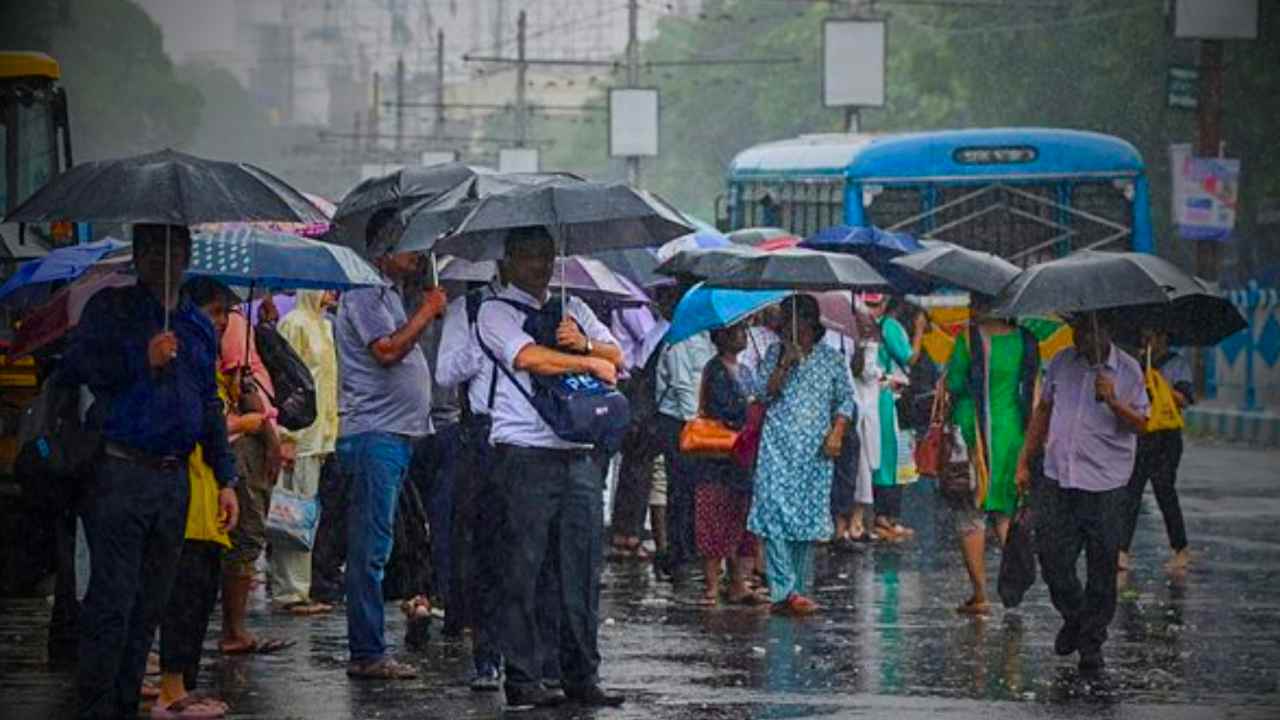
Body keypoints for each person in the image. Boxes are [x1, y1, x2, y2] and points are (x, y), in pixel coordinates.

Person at [64, 224, 237, 720]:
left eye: (176, 250)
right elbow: (80, 368)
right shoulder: (112, 310)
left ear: (187, 256)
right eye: (154, 250)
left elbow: (208, 403)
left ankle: (125, 703)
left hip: (173, 481)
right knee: (113, 602)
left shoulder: (197, 325)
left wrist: (225, 478)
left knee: (149, 608)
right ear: (138, 256)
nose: (166, 260)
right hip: (121, 474)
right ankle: (97, 708)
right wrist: (140, 358)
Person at [475, 226, 626, 709]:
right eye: (530, 257)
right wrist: (585, 363)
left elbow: (615, 355)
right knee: (524, 569)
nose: (541, 266)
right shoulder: (494, 311)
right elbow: (528, 357)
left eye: (547, 256)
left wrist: (584, 345)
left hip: (577, 451)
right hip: (524, 452)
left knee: (581, 570)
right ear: (510, 261)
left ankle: (581, 673)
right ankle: (523, 678)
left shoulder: (573, 309)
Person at [334, 209, 447, 679]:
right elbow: (386, 351)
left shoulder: (393, 296)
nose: (418, 254)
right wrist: (427, 310)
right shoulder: (365, 293)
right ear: (382, 250)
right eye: (409, 244)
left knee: (392, 541)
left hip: (397, 436)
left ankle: (373, 643)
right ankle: (367, 651)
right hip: (373, 436)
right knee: (370, 547)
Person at [1016, 312, 1150, 673]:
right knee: (1052, 558)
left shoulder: (1129, 371)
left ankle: (1092, 642)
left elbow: (1141, 424)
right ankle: (1076, 618)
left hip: (1106, 483)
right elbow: (1043, 412)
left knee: (1102, 567)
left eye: (1086, 332)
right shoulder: (1061, 362)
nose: (1078, 338)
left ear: (1106, 330)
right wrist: (1024, 461)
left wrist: (1113, 400)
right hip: (1059, 477)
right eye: (1075, 331)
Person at [152, 278, 247, 719]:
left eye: (224, 314)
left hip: (208, 496)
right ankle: (170, 689)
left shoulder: (204, 365)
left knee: (198, 592)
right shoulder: (176, 359)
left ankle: (180, 685)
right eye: (213, 313)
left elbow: (212, 423)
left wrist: (227, 480)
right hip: (184, 499)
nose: (220, 322)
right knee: (183, 594)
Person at [747, 295, 854, 616]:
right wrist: (784, 363)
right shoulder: (773, 353)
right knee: (774, 513)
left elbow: (846, 401)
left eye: (793, 322)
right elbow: (764, 393)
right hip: (778, 447)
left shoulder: (832, 360)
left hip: (815, 452)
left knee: (806, 518)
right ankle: (784, 589)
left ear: (808, 323)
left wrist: (837, 433)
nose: (787, 329)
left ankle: (796, 589)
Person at [945, 295, 1040, 615]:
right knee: (1004, 511)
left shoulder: (969, 340)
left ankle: (981, 594)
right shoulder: (1027, 341)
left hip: (973, 436)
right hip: (1013, 434)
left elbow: (955, 383)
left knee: (971, 513)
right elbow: (1034, 389)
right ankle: (1012, 588)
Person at [435, 271, 506, 689]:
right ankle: (487, 655)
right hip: (483, 436)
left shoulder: (561, 308)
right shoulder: (470, 310)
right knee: (487, 552)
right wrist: (481, 343)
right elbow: (446, 373)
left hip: (536, 441)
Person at [219, 297, 291, 655]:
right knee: (246, 534)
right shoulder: (231, 322)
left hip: (248, 435)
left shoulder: (239, 321)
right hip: (245, 440)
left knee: (246, 535)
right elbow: (242, 383)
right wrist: (271, 438)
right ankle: (234, 629)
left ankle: (234, 627)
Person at [271, 290, 340, 615]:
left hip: (321, 436)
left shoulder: (325, 327)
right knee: (292, 513)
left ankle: (304, 585)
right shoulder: (294, 324)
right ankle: (290, 591)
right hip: (299, 435)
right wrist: (286, 434)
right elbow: (284, 381)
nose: (331, 294)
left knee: (307, 513)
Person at [692, 323, 768, 607]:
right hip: (718, 458)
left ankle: (738, 582)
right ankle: (712, 585)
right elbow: (725, 410)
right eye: (737, 332)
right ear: (722, 337)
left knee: (739, 518)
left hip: (742, 458)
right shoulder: (715, 371)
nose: (743, 336)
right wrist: (750, 409)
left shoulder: (746, 372)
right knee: (714, 518)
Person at [609, 284, 677, 560]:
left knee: (635, 471)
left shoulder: (657, 329)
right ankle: (630, 534)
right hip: (644, 407)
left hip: (639, 402)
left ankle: (627, 532)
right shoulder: (651, 325)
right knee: (639, 472)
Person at [1119, 326, 1194, 572]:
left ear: (1163, 337)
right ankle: (1122, 551)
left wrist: (1159, 382)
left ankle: (1180, 548)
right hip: (1141, 433)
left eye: (1150, 335)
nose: (1145, 340)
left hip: (1166, 437)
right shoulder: (1133, 363)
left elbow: (1184, 399)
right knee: (1132, 493)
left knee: (1165, 491)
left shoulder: (1176, 364)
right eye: (1144, 336)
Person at [654, 288, 716, 578]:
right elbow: (681, 385)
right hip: (678, 421)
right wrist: (697, 424)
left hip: (697, 421)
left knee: (696, 487)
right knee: (680, 487)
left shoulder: (707, 340)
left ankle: (692, 546)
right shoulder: (679, 339)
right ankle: (678, 551)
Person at [864, 294, 926, 541]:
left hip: (873, 396)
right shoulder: (890, 326)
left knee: (876, 457)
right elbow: (910, 357)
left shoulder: (863, 327)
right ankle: (884, 518)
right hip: (885, 400)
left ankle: (879, 517)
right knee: (887, 458)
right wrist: (920, 331)